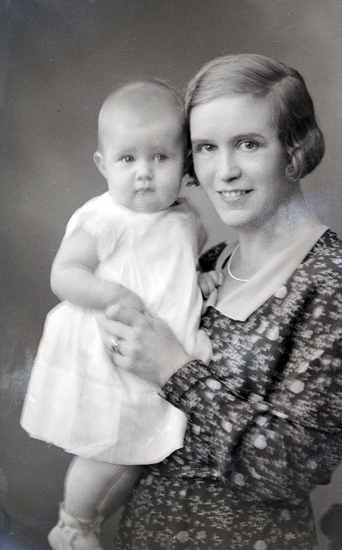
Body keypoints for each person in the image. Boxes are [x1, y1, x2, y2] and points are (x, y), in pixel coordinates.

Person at [99, 54, 342, 550]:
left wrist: (173, 370)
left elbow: (291, 469)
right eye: (206, 148)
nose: (225, 171)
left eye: (249, 144)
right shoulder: (210, 261)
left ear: (294, 150)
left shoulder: (332, 281)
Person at [20, 80, 220, 550]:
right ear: (102, 164)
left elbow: (173, 272)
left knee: (139, 453)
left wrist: (198, 281)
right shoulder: (106, 218)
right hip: (111, 353)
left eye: (160, 158)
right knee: (109, 450)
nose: (144, 174)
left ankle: (89, 525)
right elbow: (65, 274)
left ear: (185, 163)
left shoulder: (186, 219)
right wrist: (110, 294)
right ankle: (72, 525)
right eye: (127, 159)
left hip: (158, 354)